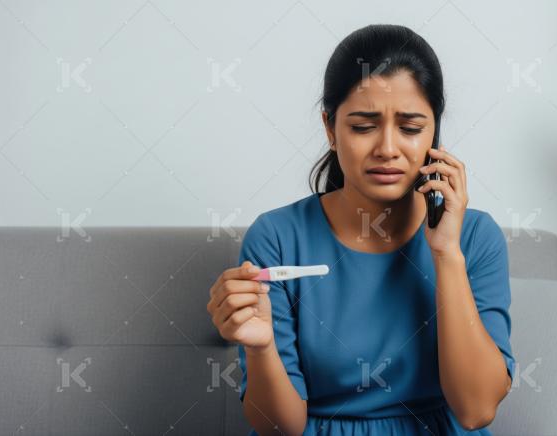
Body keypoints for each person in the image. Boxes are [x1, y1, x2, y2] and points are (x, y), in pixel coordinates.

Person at [206, 23, 515, 436]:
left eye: (410, 127)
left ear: (434, 133)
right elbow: (280, 429)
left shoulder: (475, 238)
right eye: (363, 126)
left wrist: (445, 255)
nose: (387, 148)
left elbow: (475, 410)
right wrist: (261, 348)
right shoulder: (277, 238)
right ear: (330, 129)